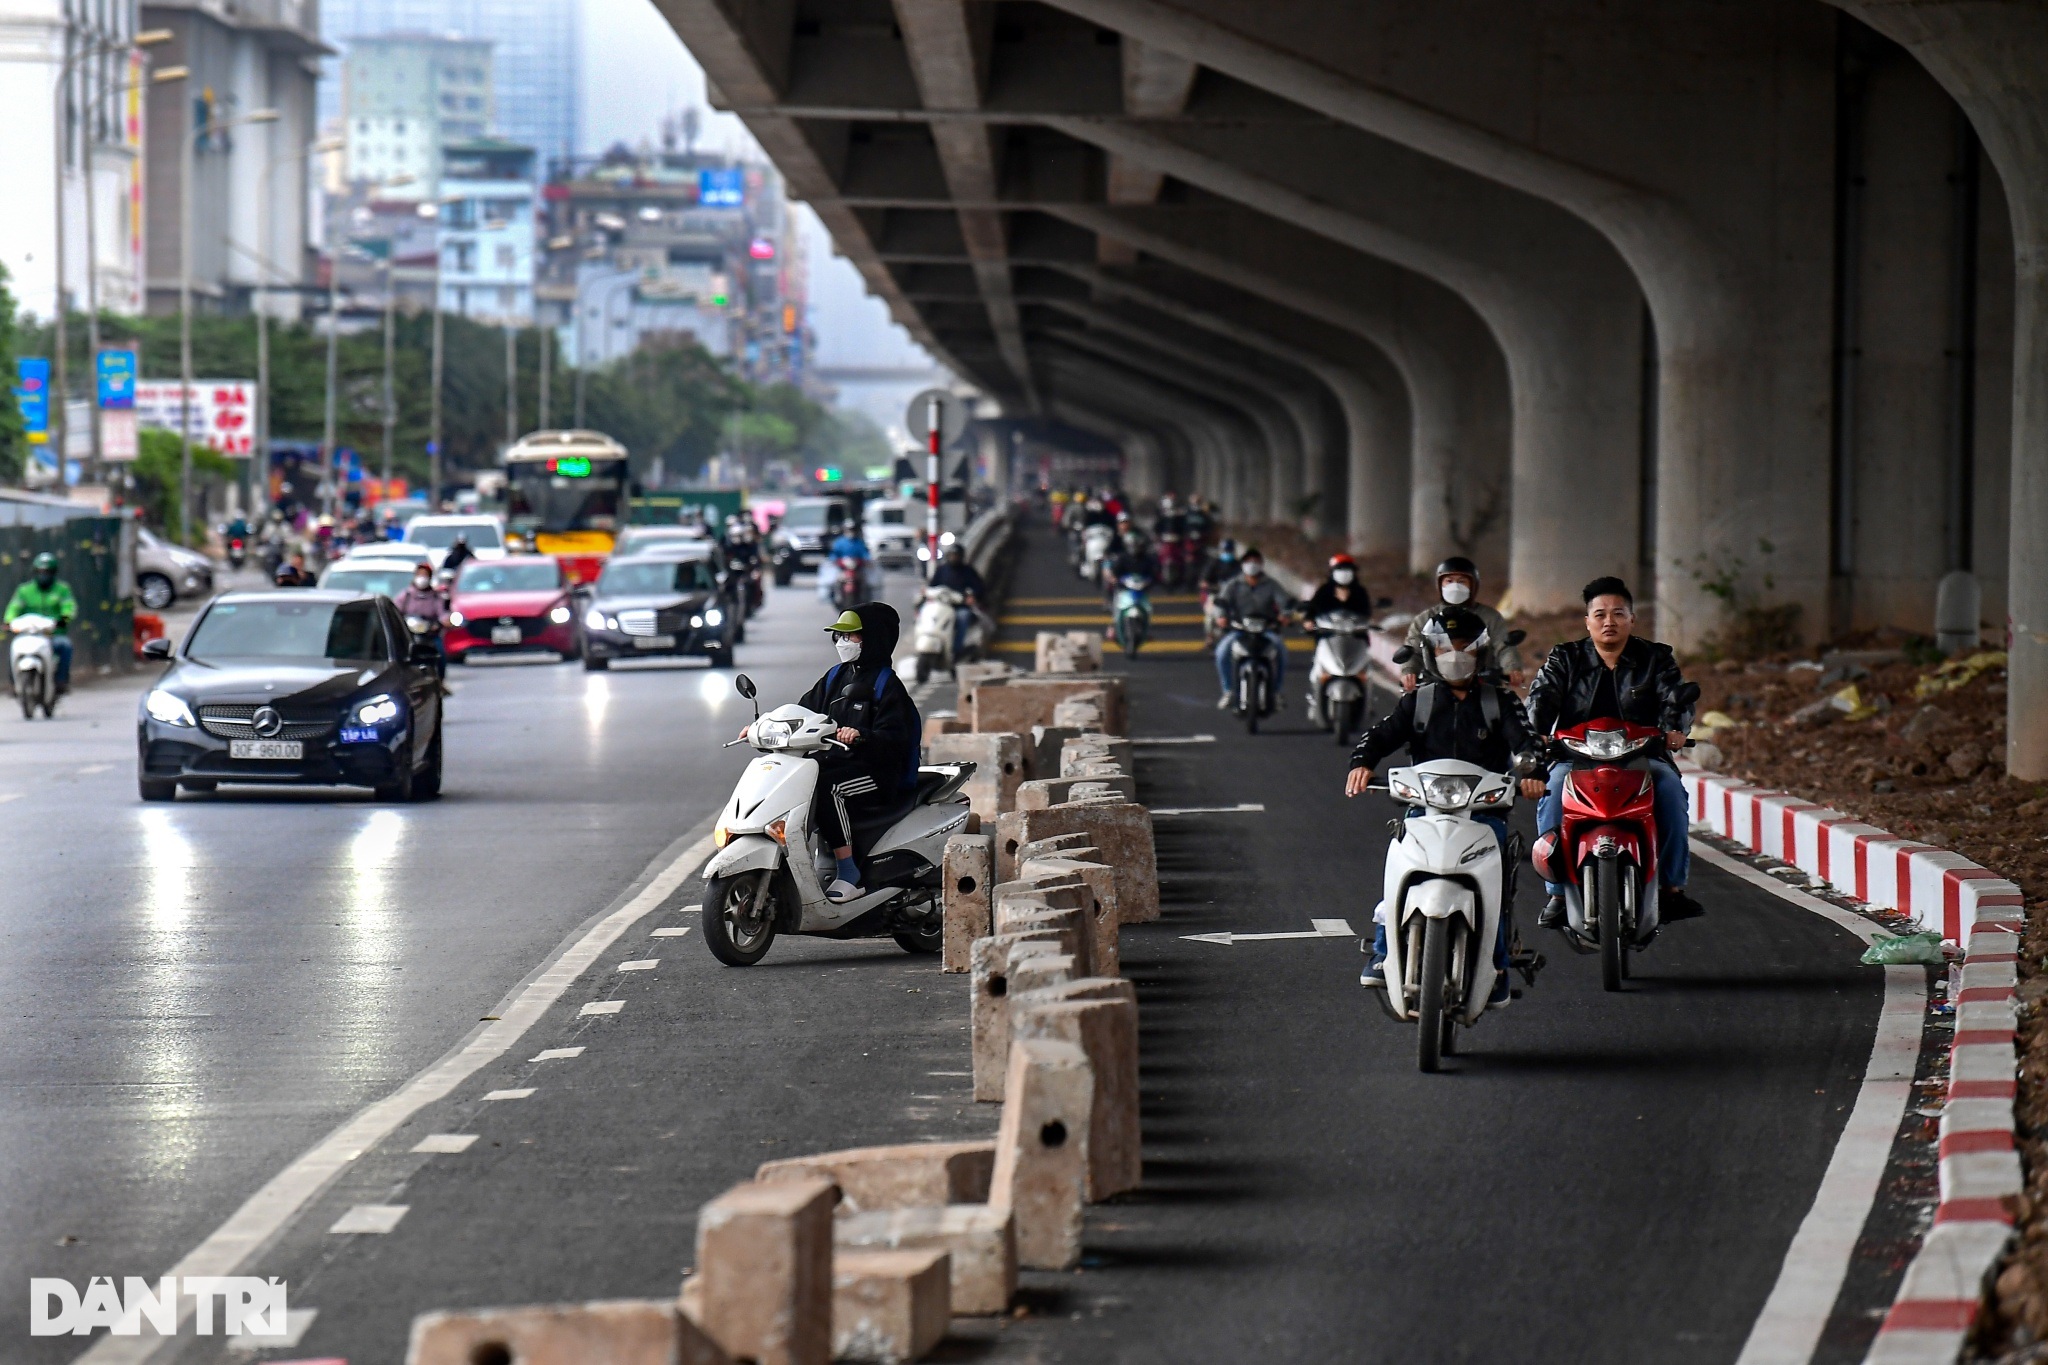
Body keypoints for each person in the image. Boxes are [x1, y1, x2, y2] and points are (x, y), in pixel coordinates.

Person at [1345, 606, 1544, 999]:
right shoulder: (1416, 702)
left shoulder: (1500, 702)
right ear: (1430, 654)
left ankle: (1497, 966)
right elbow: (1379, 735)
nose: (1455, 656)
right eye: (1445, 648)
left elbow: (1527, 742)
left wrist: (1532, 772)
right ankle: (1383, 953)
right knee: (1398, 871)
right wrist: (1362, 763)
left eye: (1465, 647)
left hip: (1485, 815)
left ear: (1482, 653)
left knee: (1497, 888)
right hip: (1425, 811)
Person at [1525, 575, 1702, 927]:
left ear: (1632, 619)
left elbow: (1675, 698)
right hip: (1575, 757)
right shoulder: (1565, 658)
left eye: (1618, 613)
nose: (1609, 621)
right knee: (1553, 790)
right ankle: (1557, 893)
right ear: (1587, 621)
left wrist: (1674, 730)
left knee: (1669, 791)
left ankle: (1671, 887)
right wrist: (1535, 737)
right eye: (1601, 614)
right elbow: (1540, 700)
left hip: (1642, 755)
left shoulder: (1656, 657)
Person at [748, 604, 920, 903]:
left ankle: (848, 871)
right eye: (839, 636)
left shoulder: (886, 685)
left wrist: (862, 735)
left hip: (877, 773)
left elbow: (896, 738)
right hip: (838, 763)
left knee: (828, 789)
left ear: (873, 638)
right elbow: (802, 710)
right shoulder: (834, 676)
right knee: (796, 780)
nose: (843, 643)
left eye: (851, 636)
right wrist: (761, 726)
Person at [1402, 556, 1526, 688]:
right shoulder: (1425, 619)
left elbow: (1504, 646)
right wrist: (1409, 671)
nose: (1455, 587)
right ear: (1440, 585)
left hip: (1483, 685)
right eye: (1449, 581)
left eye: (1462, 582)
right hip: (1436, 686)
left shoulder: (1491, 617)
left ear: (1473, 585)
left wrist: (1512, 669)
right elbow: (1413, 648)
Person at [1211, 546, 1294, 709]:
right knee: (1221, 652)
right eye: (1249, 562)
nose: (1252, 565)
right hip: (1239, 629)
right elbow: (1222, 602)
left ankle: (1276, 692)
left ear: (1262, 565)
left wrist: (1285, 615)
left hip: (1266, 629)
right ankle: (1228, 691)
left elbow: (1284, 602)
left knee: (1281, 651)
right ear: (1242, 565)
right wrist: (1221, 616)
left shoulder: (1271, 584)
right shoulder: (1233, 584)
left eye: (1256, 561)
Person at [6, 552, 76, 692]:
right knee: (15, 647)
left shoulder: (62, 590)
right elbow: (13, 608)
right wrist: (9, 621)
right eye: (41, 572)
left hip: (53, 634)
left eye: (48, 572)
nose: (44, 575)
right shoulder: (25, 591)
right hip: (29, 633)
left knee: (65, 646)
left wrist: (64, 619)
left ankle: (61, 682)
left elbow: (69, 607)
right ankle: (14, 683)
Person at [928, 542, 988, 656]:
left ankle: (956, 649)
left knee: (963, 617)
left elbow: (979, 587)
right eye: (952, 555)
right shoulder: (941, 570)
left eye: (956, 555)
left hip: (960, 607)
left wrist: (972, 596)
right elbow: (932, 586)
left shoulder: (968, 571)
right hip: (943, 605)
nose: (953, 557)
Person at [1302, 553, 1371, 621]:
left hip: (1353, 630)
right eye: (1340, 569)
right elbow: (1314, 607)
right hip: (1327, 630)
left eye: (1348, 569)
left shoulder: (1359, 591)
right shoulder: (1325, 590)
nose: (1344, 573)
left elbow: (1366, 613)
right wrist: (1309, 619)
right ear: (1332, 572)